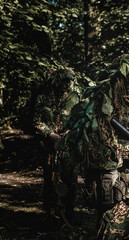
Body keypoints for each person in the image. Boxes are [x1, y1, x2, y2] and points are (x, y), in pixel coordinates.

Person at [64, 54, 129, 239]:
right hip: (121, 193)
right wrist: (126, 152)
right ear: (121, 82)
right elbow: (93, 154)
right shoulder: (106, 115)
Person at [33, 65, 84, 226]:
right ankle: (51, 214)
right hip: (50, 148)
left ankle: (69, 214)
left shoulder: (75, 97)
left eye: (68, 82)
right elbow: (36, 121)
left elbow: (81, 119)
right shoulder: (44, 97)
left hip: (69, 148)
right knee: (51, 181)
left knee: (71, 182)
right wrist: (50, 134)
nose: (66, 85)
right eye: (63, 81)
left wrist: (70, 132)